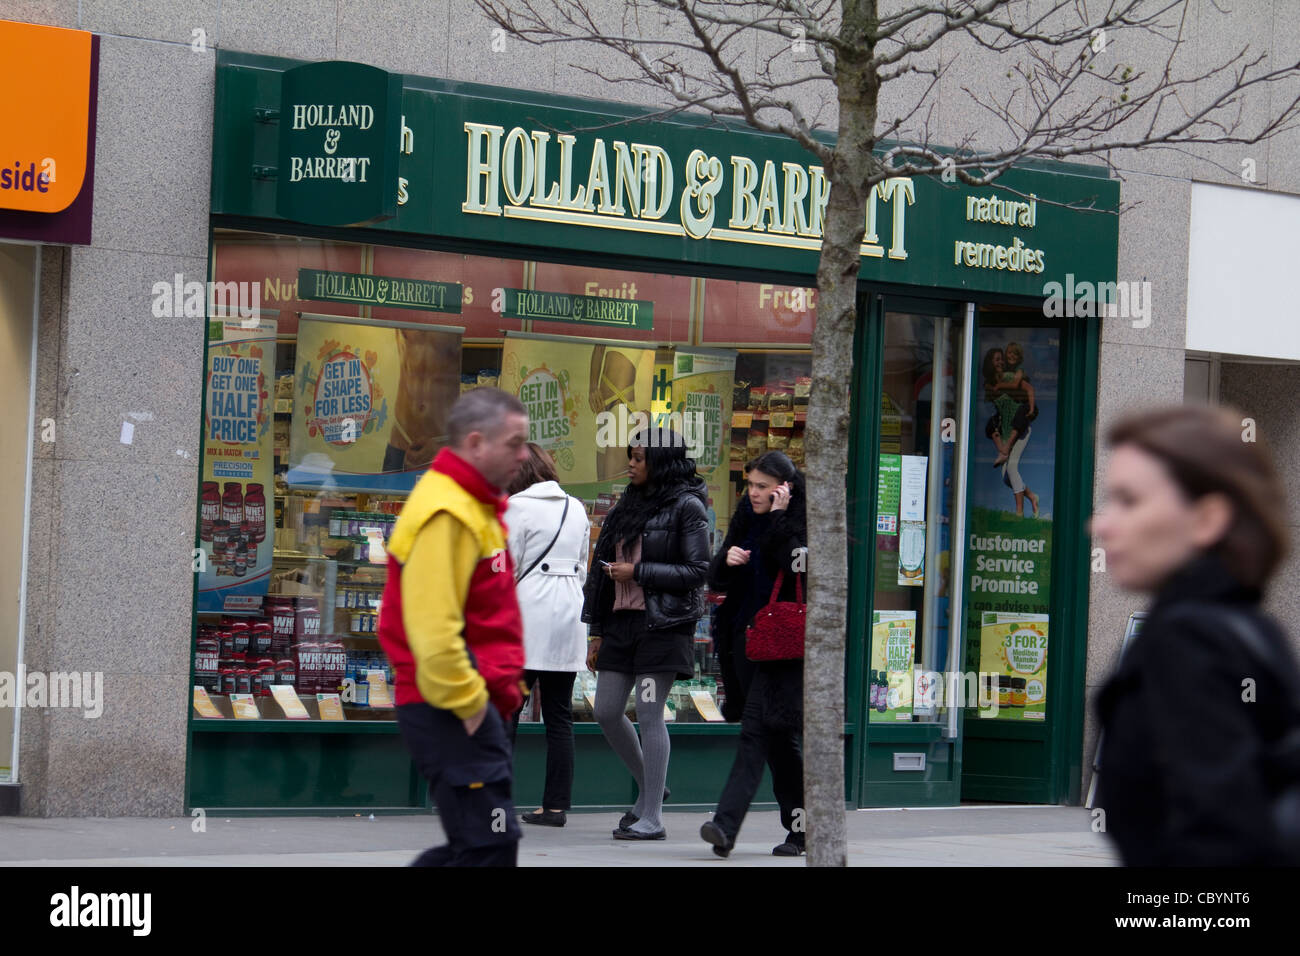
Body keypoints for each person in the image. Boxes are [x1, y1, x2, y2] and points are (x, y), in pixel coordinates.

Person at [1092, 404, 1300, 865]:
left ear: (1207, 519)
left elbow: (1221, 842)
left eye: (1128, 500)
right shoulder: (1251, 629)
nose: (1101, 524)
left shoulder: (1187, 643)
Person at [376, 387, 531, 866]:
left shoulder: (469, 505)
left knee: (481, 846)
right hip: (452, 706)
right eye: (515, 443)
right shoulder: (448, 512)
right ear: (476, 442)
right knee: (488, 847)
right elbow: (433, 631)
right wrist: (472, 708)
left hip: (469, 702)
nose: (524, 456)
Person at [582, 427, 711, 840]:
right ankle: (652, 788)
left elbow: (697, 571)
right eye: (631, 456)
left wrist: (637, 572)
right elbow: (602, 572)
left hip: (662, 627)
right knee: (605, 710)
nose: (631, 464)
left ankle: (652, 816)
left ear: (660, 462)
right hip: (621, 624)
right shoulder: (627, 503)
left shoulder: (688, 506)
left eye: (638, 458)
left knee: (650, 712)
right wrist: (596, 631)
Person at [699, 451, 807, 858]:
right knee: (778, 743)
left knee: (755, 732)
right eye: (751, 484)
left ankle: (724, 827)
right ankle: (800, 828)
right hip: (747, 640)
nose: (754, 492)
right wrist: (725, 562)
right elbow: (720, 577)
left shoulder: (801, 517)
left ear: (785, 487)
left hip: (784, 647)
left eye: (763, 486)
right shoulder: (747, 513)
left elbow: (799, 567)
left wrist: (778, 519)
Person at [505, 443, 591, 827]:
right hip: (569, 617)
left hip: (525, 621)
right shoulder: (577, 508)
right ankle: (555, 807)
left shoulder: (514, 509)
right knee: (559, 717)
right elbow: (582, 568)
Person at [980, 346, 1039, 517]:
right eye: (996, 359)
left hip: (1019, 428)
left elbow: (1029, 389)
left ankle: (1019, 513)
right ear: (990, 364)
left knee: (1012, 468)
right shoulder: (989, 384)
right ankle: (1031, 496)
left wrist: (1030, 408)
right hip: (1006, 428)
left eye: (1001, 359)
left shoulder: (1009, 377)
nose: (1001, 362)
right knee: (1006, 476)